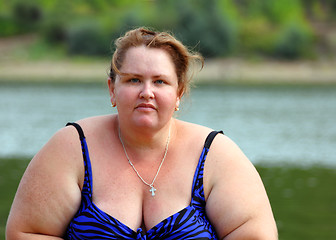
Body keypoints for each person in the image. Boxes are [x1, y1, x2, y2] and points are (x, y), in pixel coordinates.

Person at [6, 27, 277, 239]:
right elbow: (25, 233)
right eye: (134, 79)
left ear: (178, 93)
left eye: (160, 81)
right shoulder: (72, 146)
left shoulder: (217, 154)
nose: (146, 92)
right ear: (112, 89)